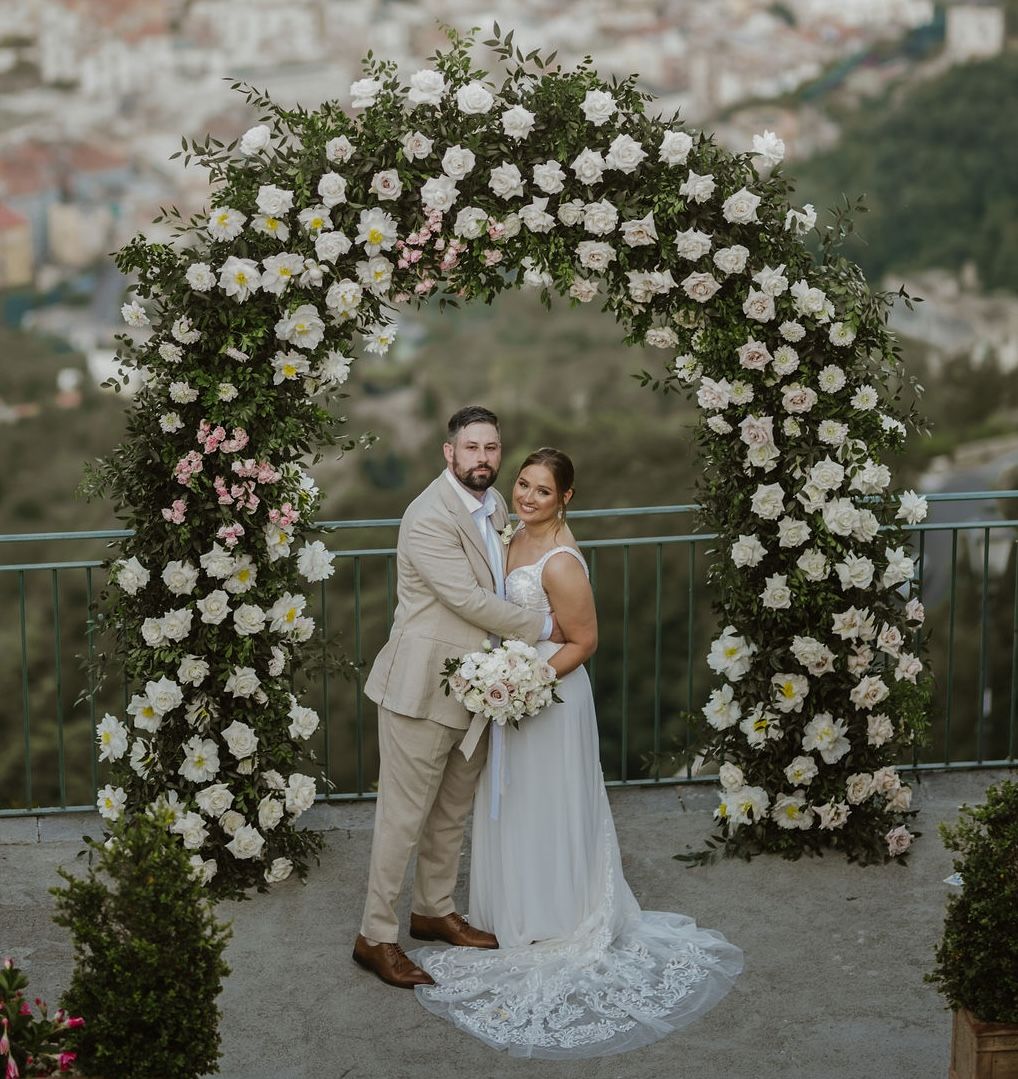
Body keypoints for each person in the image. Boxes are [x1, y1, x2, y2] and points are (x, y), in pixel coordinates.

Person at [410, 447, 744, 1058]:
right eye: (523, 485)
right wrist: (502, 680)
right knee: (508, 802)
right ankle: (514, 913)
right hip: (510, 688)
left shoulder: (561, 564)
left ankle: (560, 918)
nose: (527, 497)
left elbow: (583, 641)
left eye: (542, 490)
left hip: (550, 697)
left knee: (550, 803)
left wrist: (526, 684)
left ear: (566, 498)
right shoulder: (512, 537)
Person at [353, 407, 559, 989]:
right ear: (449, 453)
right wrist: (543, 628)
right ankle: (375, 936)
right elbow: (468, 600)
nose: (483, 459)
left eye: (492, 448)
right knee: (402, 819)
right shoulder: (427, 518)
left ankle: (433, 910)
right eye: (471, 448)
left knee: (450, 812)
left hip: (478, 688)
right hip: (421, 688)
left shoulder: (494, 507)